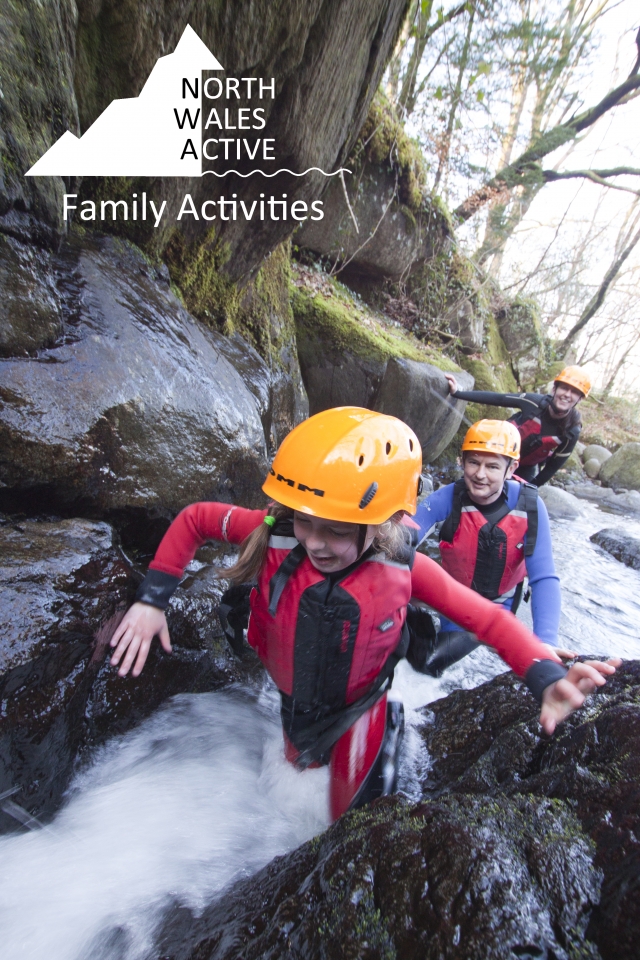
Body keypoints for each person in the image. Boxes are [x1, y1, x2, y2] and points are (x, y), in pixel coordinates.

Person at [109, 407, 617, 822]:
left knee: (348, 822)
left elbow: (489, 619)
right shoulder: (276, 533)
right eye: (306, 523)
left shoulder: (408, 568)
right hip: (296, 697)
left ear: (386, 521)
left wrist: (544, 673)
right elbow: (196, 519)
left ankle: (388, 726)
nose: (314, 543)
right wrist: (152, 601)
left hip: (360, 704)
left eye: (334, 530)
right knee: (296, 764)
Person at [413, 419, 567, 676]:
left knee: (429, 666)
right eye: (473, 462)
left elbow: (543, 577)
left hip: (498, 607)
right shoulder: (448, 496)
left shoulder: (530, 506)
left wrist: (545, 641)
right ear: (462, 462)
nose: (480, 474)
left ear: (511, 468)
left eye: (492, 466)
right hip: (454, 601)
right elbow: (407, 534)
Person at [444, 365, 591, 486]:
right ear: (555, 389)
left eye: (574, 392)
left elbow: (552, 467)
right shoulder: (533, 403)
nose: (567, 394)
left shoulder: (572, 431)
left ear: (579, 399)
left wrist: (531, 488)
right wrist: (458, 392)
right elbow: (498, 398)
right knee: (471, 487)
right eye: (564, 388)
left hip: (525, 467)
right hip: (494, 454)